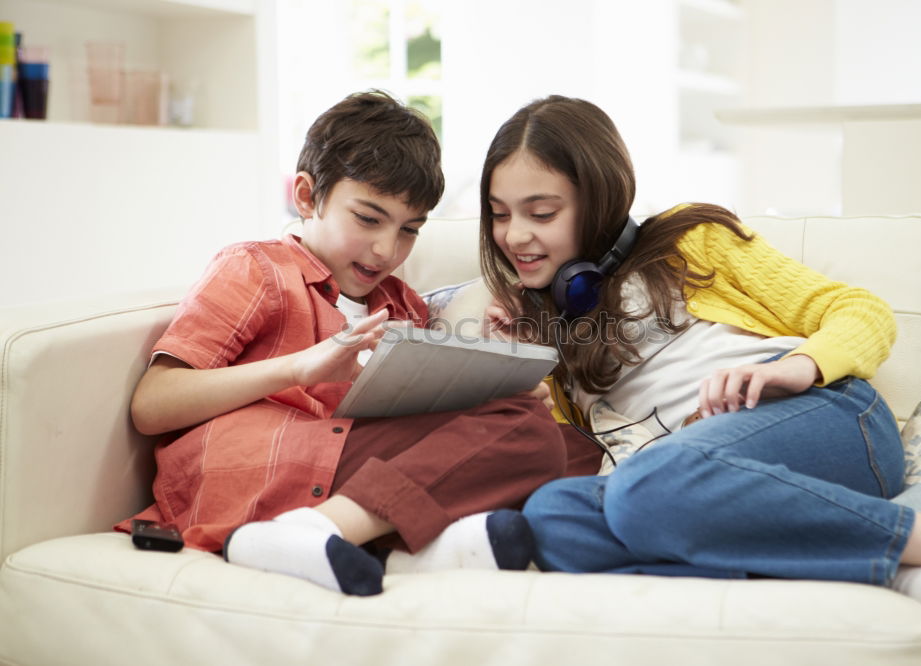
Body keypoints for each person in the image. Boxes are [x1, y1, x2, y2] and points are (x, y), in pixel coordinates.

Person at [479, 94, 921, 622]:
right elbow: (572, 455)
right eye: (500, 215)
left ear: (600, 198)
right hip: (693, 483)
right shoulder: (545, 325)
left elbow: (860, 310)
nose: (515, 235)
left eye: (542, 213)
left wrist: (797, 368)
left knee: (645, 487)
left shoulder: (692, 238)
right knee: (551, 518)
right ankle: (891, 569)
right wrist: (517, 365)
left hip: (825, 417)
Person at [118, 91, 579, 597]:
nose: (386, 249)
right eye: (367, 218)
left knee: (547, 435)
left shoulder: (401, 305)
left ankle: (368, 550)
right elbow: (152, 405)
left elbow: (439, 430)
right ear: (306, 197)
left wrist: (496, 374)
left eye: (409, 230)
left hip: (343, 471)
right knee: (525, 431)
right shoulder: (258, 269)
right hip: (256, 469)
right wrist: (298, 369)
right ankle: (328, 538)